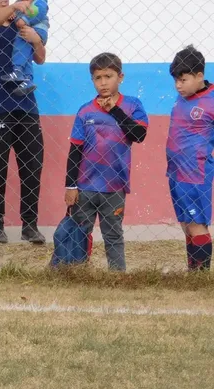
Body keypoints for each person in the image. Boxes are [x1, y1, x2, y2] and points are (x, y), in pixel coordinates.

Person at [64, 53, 148, 272]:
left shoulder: (132, 106)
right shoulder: (84, 111)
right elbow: (75, 150)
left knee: (113, 233)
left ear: (120, 77)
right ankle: (78, 271)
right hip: (85, 187)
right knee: (81, 231)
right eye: (97, 77)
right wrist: (70, 186)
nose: (103, 82)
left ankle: (117, 275)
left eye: (108, 76)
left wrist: (115, 110)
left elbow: (138, 135)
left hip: (115, 186)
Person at [0, 0, 47, 245]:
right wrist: (17, 7)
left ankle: (30, 225)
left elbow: (40, 58)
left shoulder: (22, 24)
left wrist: (36, 39)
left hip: (27, 106)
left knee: (32, 167)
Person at [167, 46, 214, 271]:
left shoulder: (212, 100)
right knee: (186, 224)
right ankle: (192, 271)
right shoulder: (182, 97)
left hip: (195, 172)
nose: (178, 85)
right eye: (176, 80)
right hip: (175, 171)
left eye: (183, 80)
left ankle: (201, 277)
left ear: (199, 76)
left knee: (197, 224)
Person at [1, 0, 48, 95]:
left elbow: (40, 11)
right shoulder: (20, 2)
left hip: (36, 30)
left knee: (20, 45)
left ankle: (17, 70)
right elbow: (16, 10)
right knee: (27, 55)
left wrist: (24, 20)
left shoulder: (39, 1)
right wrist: (12, 13)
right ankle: (28, 80)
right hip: (31, 29)